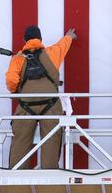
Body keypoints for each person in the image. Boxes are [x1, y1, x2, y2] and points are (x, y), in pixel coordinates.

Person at [6, 25, 77, 169]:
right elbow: (63, 44)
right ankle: (49, 175)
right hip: (50, 105)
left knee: (20, 140)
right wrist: (69, 36)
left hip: (26, 106)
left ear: (24, 40)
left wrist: (15, 92)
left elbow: (11, 81)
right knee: (52, 140)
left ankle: (16, 176)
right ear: (41, 39)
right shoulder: (52, 53)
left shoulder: (18, 58)